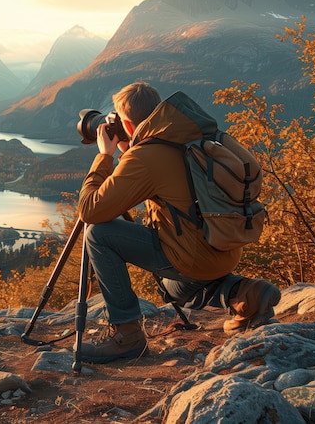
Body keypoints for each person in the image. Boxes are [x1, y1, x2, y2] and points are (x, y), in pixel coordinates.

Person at [77, 81, 281, 364]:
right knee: (172, 290)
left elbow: (90, 210)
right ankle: (245, 293)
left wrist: (105, 156)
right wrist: (131, 147)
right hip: (223, 247)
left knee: (99, 234)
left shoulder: (146, 156)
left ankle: (128, 336)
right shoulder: (185, 136)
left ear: (126, 122)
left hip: (193, 257)